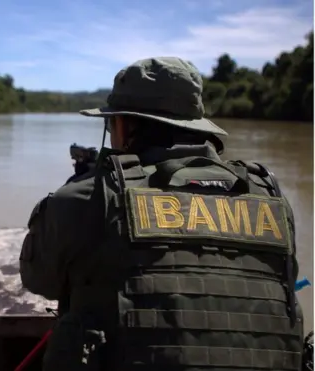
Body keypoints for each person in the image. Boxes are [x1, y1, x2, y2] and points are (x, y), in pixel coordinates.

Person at [19, 57, 304, 370]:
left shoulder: (85, 197)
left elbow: (40, 280)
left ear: (124, 124)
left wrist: (81, 186)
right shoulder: (269, 195)